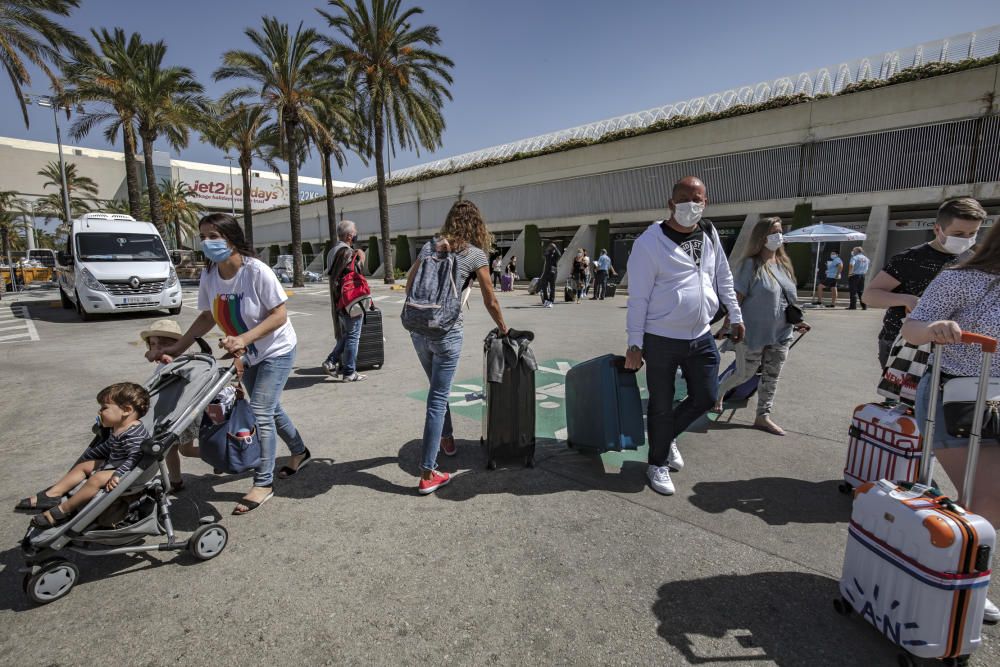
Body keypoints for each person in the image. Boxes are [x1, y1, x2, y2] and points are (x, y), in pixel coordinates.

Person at [148, 213, 310, 515]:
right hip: (247, 352)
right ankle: (300, 451)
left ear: (232, 239)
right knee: (271, 409)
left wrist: (244, 339)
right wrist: (177, 348)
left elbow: (279, 315)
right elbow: (208, 316)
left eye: (214, 236)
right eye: (203, 237)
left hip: (277, 350)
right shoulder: (210, 274)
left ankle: (263, 482)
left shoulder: (255, 271)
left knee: (261, 410)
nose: (207, 242)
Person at [902, 217, 999, 624]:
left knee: (986, 499)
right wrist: (935, 328)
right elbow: (912, 329)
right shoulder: (967, 279)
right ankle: (962, 580)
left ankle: (953, 569)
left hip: (995, 396)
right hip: (957, 399)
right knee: (988, 497)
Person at [625, 176, 744, 496]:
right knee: (661, 405)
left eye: (700, 199)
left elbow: (723, 275)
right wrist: (634, 344)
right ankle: (657, 463)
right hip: (661, 337)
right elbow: (638, 298)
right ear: (671, 203)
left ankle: (665, 437)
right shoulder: (649, 243)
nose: (694, 205)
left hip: (701, 334)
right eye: (686, 199)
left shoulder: (709, 232)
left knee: (705, 396)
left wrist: (735, 313)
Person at [407, 200, 509, 494]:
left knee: (437, 388)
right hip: (447, 332)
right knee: (438, 397)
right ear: (477, 224)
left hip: (418, 328)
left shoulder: (430, 246)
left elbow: (411, 279)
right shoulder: (475, 255)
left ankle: (447, 439)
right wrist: (505, 328)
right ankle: (427, 472)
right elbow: (491, 299)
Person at [711, 218, 811, 435]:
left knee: (771, 376)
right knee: (743, 374)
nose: (778, 236)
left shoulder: (784, 264)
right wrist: (728, 325)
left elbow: (787, 299)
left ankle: (762, 416)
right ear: (761, 237)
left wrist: (798, 320)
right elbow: (736, 299)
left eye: (780, 231)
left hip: (781, 332)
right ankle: (719, 392)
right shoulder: (750, 265)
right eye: (773, 232)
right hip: (752, 332)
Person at [864, 197, 986, 368]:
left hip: (948, 347)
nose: (966, 239)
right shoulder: (910, 258)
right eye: (958, 234)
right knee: (902, 395)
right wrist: (907, 299)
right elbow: (869, 296)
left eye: (972, 233)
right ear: (937, 229)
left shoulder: (971, 259)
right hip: (901, 343)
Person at [18, 382, 150, 527]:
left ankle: (64, 510)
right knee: (85, 465)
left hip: (129, 470)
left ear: (126, 410)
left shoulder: (134, 434)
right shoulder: (118, 427)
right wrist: (90, 455)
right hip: (116, 462)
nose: (99, 413)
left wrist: (119, 473)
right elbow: (108, 446)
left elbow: (136, 457)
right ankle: (54, 494)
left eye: (104, 408)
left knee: (97, 478)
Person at [322, 220, 369, 382]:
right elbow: (356, 275)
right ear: (350, 236)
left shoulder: (332, 251)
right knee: (353, 335)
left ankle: (331, 361)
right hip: (351, 300)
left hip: (338, 300)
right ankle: (349, 372)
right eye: (355, 232)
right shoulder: (348, 253)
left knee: (348, 334)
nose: (356, 234)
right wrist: (361, 258)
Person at [537, 242, 561, 308]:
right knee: (544, 287)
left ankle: (551, 301)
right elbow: (543, 254)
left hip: (553, 273)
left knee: (552, 288)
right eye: (550, 246)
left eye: (552, 246)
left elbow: (559, 254)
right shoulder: (548, 253)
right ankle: (546, 300)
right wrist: (547, 248)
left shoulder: (556, 254)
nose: (551, 247)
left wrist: (555, 247)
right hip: (546, 273)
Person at [847, 246, 870, 310]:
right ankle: (864, 306)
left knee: (853, 291)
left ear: (857, 251)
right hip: (862, 276)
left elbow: (851, 265)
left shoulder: (854, 258)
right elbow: (867, 267)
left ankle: (853, 306)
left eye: (853, 251)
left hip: (854, 275)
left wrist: (850, 273)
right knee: (861, 291)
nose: (852, 252)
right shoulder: (866, 258)